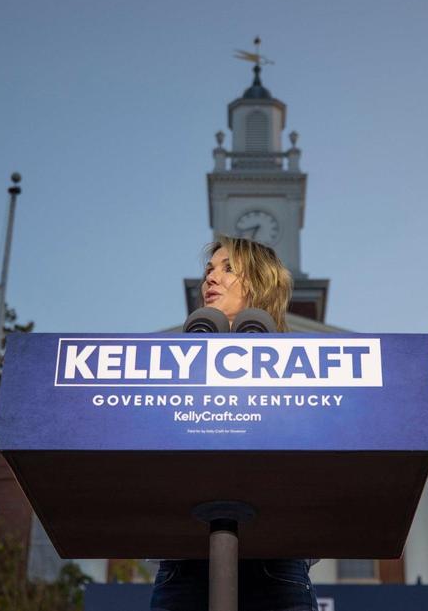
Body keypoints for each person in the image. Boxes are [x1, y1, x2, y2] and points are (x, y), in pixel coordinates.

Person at [150, 236, 316, 611]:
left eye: (228, 269)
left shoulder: (306, 369)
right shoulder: (161, 366)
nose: (210, 279)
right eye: (209, 270)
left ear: (259, 283)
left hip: (277, 566)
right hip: (183, 566)